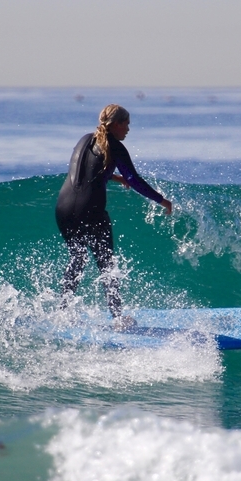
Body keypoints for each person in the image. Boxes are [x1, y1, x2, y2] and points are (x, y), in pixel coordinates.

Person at [55, 104, 172, 320]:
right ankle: (117, 318)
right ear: (117, 124)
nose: (128, 129)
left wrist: (112, 176)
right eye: (126, 124)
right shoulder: (116, 147)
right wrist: (163, 201)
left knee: (78, 257)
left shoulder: (85, 139)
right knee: (106, 264)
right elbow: (134, 180)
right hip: (90, 210)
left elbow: (85, 172)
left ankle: (62, 311)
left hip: (63, 207)